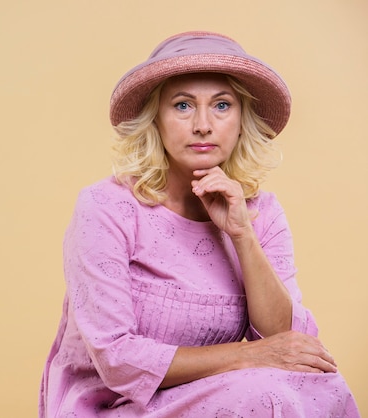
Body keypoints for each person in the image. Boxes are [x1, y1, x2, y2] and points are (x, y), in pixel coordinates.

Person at [39, 31, 360, 417]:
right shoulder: (107, 206)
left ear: (243, 121)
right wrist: (249, 355)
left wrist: (242, 235)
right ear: (155, 120)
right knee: (263, 393)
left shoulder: (262, 213)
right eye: (183, 106)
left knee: (322, 384)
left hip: (225, 394)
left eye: (222, 105)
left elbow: (290, 348)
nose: (203, 125)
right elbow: (117, 359)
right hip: (116, 405)